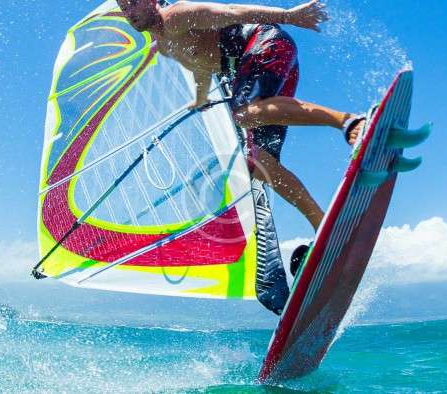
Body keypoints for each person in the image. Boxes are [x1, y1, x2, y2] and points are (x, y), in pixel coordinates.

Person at [117, 0, 367, 312]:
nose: (129, 11)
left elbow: (234, 13)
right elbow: (200, 66)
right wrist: (199, 98)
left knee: (244, 114)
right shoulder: (164, 45)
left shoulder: (177, 15)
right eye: (123, 6)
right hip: (264, 62)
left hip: (265, 43)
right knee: (260, 163)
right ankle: (323, 228)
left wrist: (289, 16)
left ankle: (350, 123)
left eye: (133, 2)